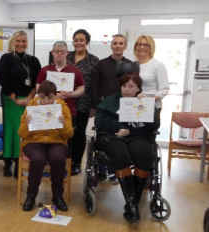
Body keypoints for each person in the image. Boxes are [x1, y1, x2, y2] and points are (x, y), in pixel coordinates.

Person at [94, 71, 160, 222]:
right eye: (124, 85)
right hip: (112, 136)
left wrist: (146, 108)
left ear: (138, 88)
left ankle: (132, 203)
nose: (127, 89)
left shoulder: (145, 102)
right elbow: (100, 121)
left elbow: (155, 125)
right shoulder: (111, 101)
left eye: (131, 86)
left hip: (137, 136)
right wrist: (117, 127)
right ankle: (132, 205)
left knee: (145, 155)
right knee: (121, 154)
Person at [18, 80, 74, 212]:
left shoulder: (63, 108)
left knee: (58, 158)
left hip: (56, 141)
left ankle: (57, 195)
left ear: (56, 96)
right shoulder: (31, 106)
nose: (46, 101)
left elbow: (69, 134)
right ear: (38, 95)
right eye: (42, 97)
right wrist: (26, 123)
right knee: (38, 159)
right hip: (33, 142)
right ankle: (31, 196)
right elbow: (22, 133)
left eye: (50, 97)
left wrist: (63, 124)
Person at [0, 29, 41, 177]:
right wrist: (16, 99)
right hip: (11, 100)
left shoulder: (33, 61)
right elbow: (3, 80)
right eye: (18, 41)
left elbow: (37, 82)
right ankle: (8, 163)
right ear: (12, 42)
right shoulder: (6, 58)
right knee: (11, 131)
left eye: (23, 41)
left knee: (24, 132)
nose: (21, 44)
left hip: (28, 101)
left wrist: (29, 98)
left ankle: (20, 164)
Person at [91, 34, 132, 183]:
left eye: (121, 43)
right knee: (105, 137)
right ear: (111, 46)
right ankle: (102, 171)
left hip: (125, 107)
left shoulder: (130, 65)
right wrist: (96, 105)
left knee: (121, 137)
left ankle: (117, 170)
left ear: (125, 46)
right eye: (115, 43)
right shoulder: (101, 64)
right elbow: (94, 86)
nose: (118, 46)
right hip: (105, 108)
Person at [36, 41, 84, 162]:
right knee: (47, 140)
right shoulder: (45, 70)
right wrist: (53, 95)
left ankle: (64, 166)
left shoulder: (75, 71)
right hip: (46, 111)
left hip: (68, 111)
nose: (59, 54)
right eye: (57, 51)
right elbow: (38, 87)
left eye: (62, 52)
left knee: (67, 140)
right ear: (52, 52)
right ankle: (46, 163)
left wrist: (71, 94)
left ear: (67, 53)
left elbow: (82, 88)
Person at [67, 29, 99, 176]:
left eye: (81, 40)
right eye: (76, 40)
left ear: (87, 42)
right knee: (65, 133)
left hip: (83, 103)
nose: (78, 42)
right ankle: (64, 160)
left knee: (79, 133)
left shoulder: (93, 61)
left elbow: (95, 84)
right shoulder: (66, 57)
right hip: (64, 103)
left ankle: (76, 163)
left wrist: (94, 105)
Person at [133, 35, 169, 117]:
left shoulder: (157, 65)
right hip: (134, 105)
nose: (142, 47)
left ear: (151, 48)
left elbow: (164, 89)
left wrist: (150, 100)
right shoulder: (133, 65)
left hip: (152, 106)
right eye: (139, 44)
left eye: (145, 45)